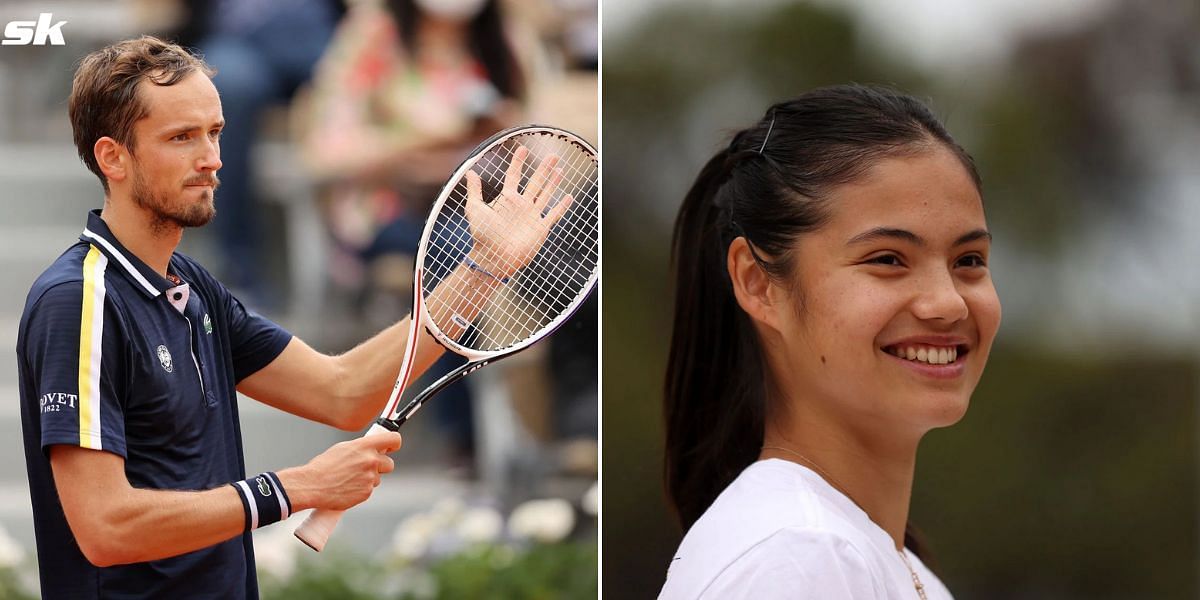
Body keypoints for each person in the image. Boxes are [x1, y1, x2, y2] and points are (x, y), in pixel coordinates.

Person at [16, 36, 562, 599]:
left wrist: (483, 269)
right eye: (182, 138)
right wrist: (298, 487)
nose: (211, 159)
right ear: (113, 157)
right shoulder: (78, 301)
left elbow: (344, 391)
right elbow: (105, 527)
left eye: (216, 132)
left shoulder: (194, 287)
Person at [658, 85, 1001, 599]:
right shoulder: (799, 558)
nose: (948, 303)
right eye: (887, 259)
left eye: (968, 260)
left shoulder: (861, 556)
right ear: (757, 283)